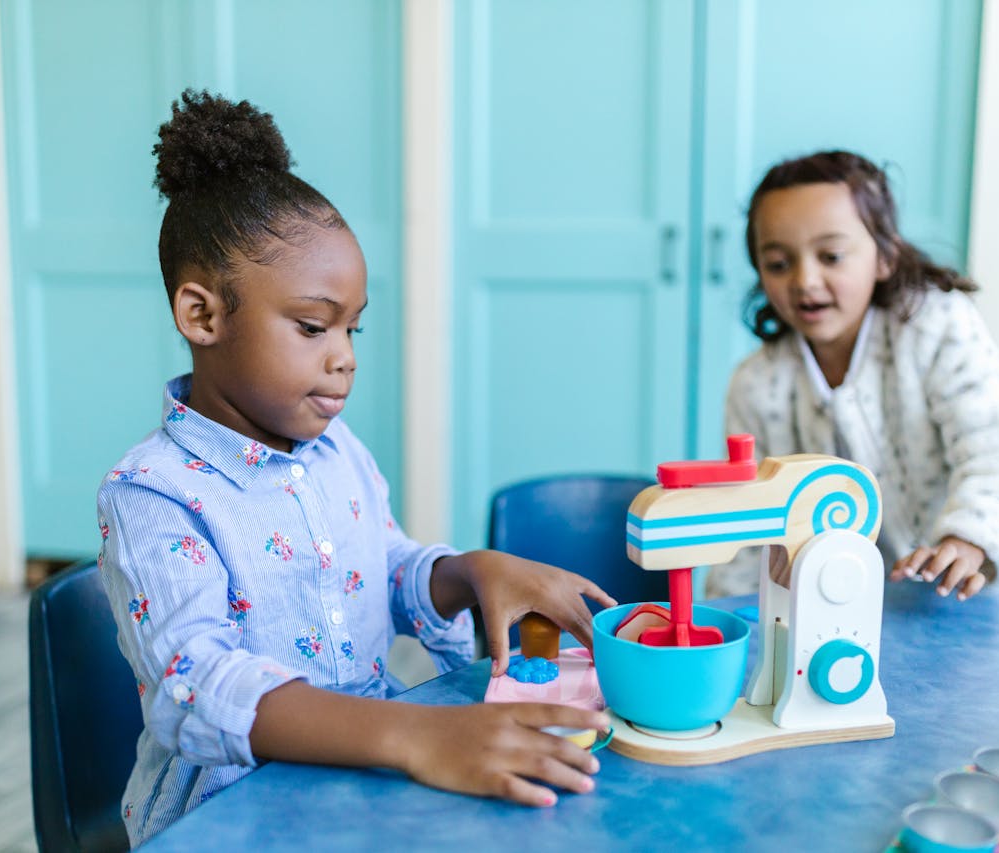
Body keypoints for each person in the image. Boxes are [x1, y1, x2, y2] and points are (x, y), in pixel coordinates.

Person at [96, 90, 613, 846]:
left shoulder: (336, 452)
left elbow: (385, 570)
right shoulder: (151, 495)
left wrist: (468, 571)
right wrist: (414, 735)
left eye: (352, 327)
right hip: (234, 814)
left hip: (367, 779)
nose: (345, 357)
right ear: (202, 316)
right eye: (312, 326)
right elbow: (196, 685)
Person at [706, 150, 999, 602]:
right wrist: (730, 615)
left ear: (885, 255)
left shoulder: (935, 325)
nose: (806, 280)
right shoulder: (757, 383)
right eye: (779, 263)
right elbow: (752, 526)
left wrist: (971, 538)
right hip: (887, 598)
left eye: (831, 256)